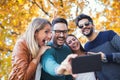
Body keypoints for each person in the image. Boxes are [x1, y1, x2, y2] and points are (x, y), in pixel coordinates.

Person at [75, 14, 120, 80]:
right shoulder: (86, 47)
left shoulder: (109, 34)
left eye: (87, 24)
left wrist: (105, 57)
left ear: (93, 25)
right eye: (81, 26)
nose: (84, 27)